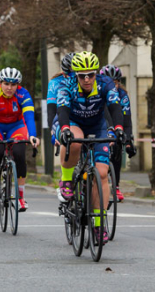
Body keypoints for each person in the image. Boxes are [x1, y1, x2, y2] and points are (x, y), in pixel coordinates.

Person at [56, 51, 125, 244]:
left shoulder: (105, 84)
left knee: (101, 174)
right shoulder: (67, 84)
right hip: (72, 123)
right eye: (82, 76)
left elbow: (115, 107)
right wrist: (65, 129)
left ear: (96, 73)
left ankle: (98, 224)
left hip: (97, 126)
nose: (86, 79)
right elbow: (62, 110)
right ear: (75, 75)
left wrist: (119, 129)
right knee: (75, 140)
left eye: (91, 75)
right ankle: (67, 180)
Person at [0, 67, 40, 211]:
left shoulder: (23, 94)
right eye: (6, 84)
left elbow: (29, 117)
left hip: (16, 126)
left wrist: (32, 135)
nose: (9, 88)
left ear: (18, 85)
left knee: (19, 153)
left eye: (13, 84)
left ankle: (20, 197)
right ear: (0, 83)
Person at [100, 64, 137, 202]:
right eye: (109, 82)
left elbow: (126, 119)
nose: (112, 86)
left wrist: (128, 141)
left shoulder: (122, 95)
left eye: (115, 83)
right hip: (100, 124)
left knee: (117, 147)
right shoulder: (97, 92)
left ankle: (115, 186)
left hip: (116, 124)